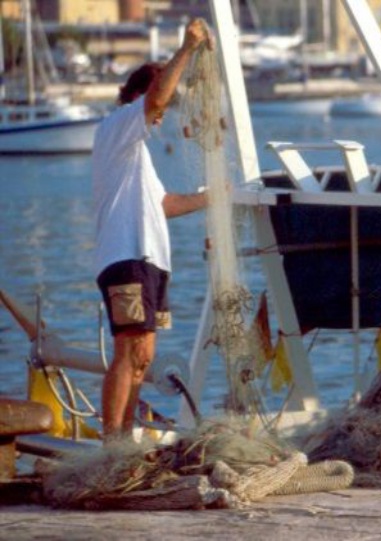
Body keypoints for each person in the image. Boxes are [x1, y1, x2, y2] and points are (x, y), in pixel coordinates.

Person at [92, 18, 212, 441]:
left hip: (150, 262)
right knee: (129, 349)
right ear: (140, 96)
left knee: (143, 355)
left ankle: (123, 438)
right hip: (125, 257)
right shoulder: (119, 125)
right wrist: (187, 49)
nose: (163, 116)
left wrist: (211, 197)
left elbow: (163, 205)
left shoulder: (136, 151)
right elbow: (157, 99)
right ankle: (113, 444)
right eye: (160, 107)